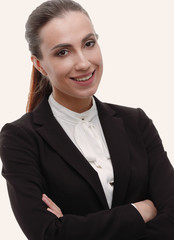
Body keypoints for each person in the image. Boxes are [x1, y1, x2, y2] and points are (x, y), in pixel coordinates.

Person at [0, 0, 174, 239]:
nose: (83, 63)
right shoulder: (20, 138)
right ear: (39, 65)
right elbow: (48, 234)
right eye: (63, 52)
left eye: (89, 44)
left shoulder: (137, 122)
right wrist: (139, 210)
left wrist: (75, 227)